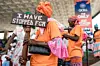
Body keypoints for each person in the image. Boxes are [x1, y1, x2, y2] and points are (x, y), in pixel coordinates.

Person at [21, 1, 62, 66]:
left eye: (36, 14)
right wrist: (27, 32)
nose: (34, 16)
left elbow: (58, 44)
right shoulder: (39, 30)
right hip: (34, 63)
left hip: (47, 64)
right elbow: (30, 44)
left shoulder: (51, 24)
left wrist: (35, 42)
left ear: (42, 15)